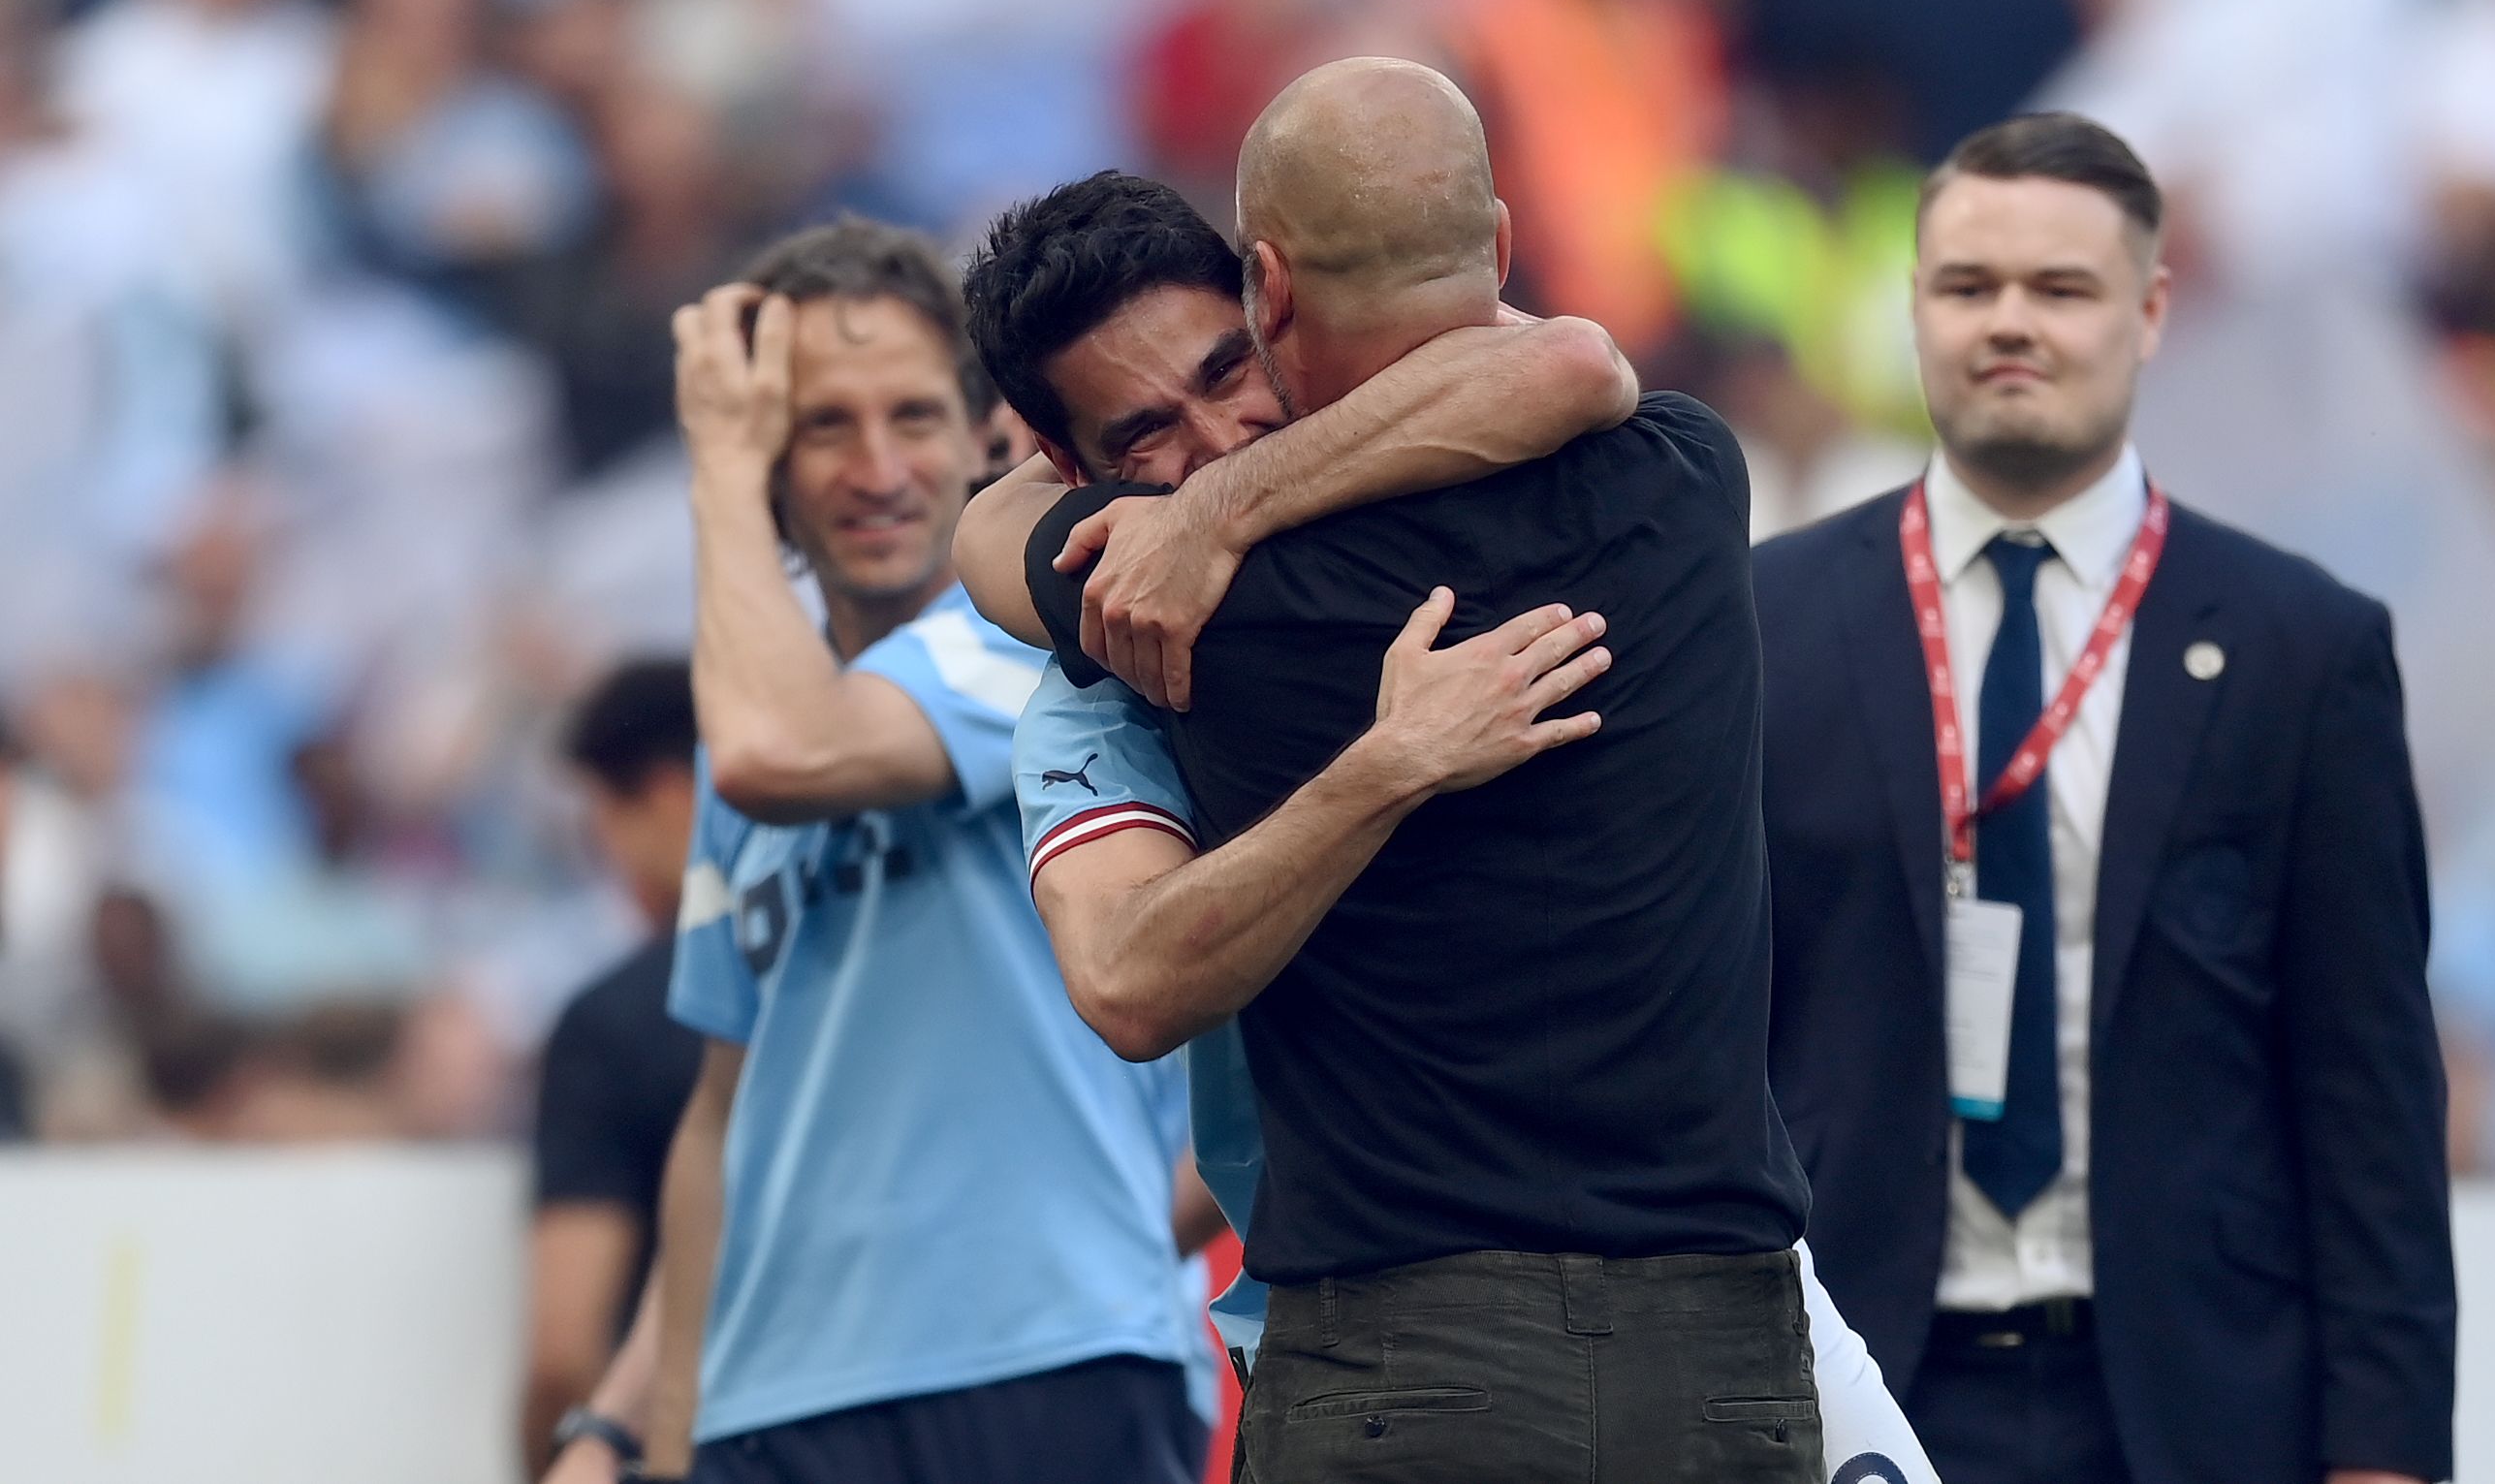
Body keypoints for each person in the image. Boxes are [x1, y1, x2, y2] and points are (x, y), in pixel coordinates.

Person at [957, 167, 1936, 1483]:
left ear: (1276, 307)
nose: (1221, 431)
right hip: (1372, 1311)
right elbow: (1127, 978)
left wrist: (1209, 507)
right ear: (1070, 469)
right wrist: (1385, 767)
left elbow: (1572, 364)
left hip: (1700, 1277)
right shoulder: (1106, 676)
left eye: (1227, 365)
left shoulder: (1471, 487)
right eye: (1149, 435)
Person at [1753, 112, 2454, 1484]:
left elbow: (2370, 1091)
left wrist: (2384, 1449)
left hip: (2198, 1400)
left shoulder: (2300, 648)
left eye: (2059, 289)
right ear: (1913, 310)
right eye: (1968, 286)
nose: (2009, 323)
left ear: (2149, 311)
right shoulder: (1765, 624)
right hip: (1849, 1389)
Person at [541, 219, 1211, 1484]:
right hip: (770, 1404)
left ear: (982, 440)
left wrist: (717, 479)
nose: (876, 466)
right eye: (822, 425)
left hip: (1046, 1370)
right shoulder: (756, 709)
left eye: (911, 414)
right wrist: (627, 1427)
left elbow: (781, 751)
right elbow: (724, 1116)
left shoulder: (1038, 658)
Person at [526, 658, 708, 1474]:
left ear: (666, 799)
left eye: (600, 820)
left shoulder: (609, 1023)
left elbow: (565, 1344)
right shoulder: (846, 963)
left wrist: (567, 1447)